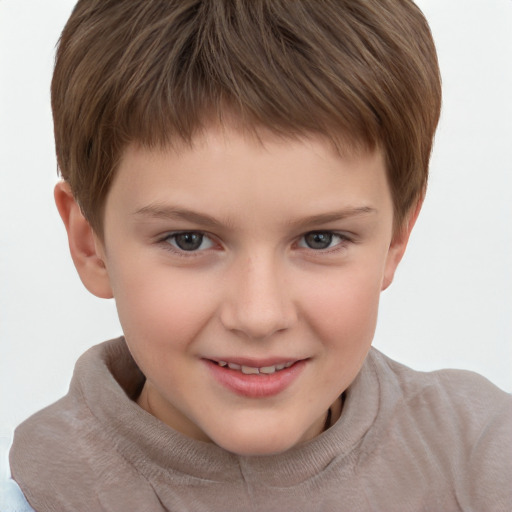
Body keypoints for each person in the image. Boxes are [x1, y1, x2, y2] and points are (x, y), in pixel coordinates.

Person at [3, 0, 511, 510]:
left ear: (396, 238)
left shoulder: (482, 455)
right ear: (91, 243)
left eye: (320, 239)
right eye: (189, 240)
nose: (259, 316)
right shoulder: (36, 496)